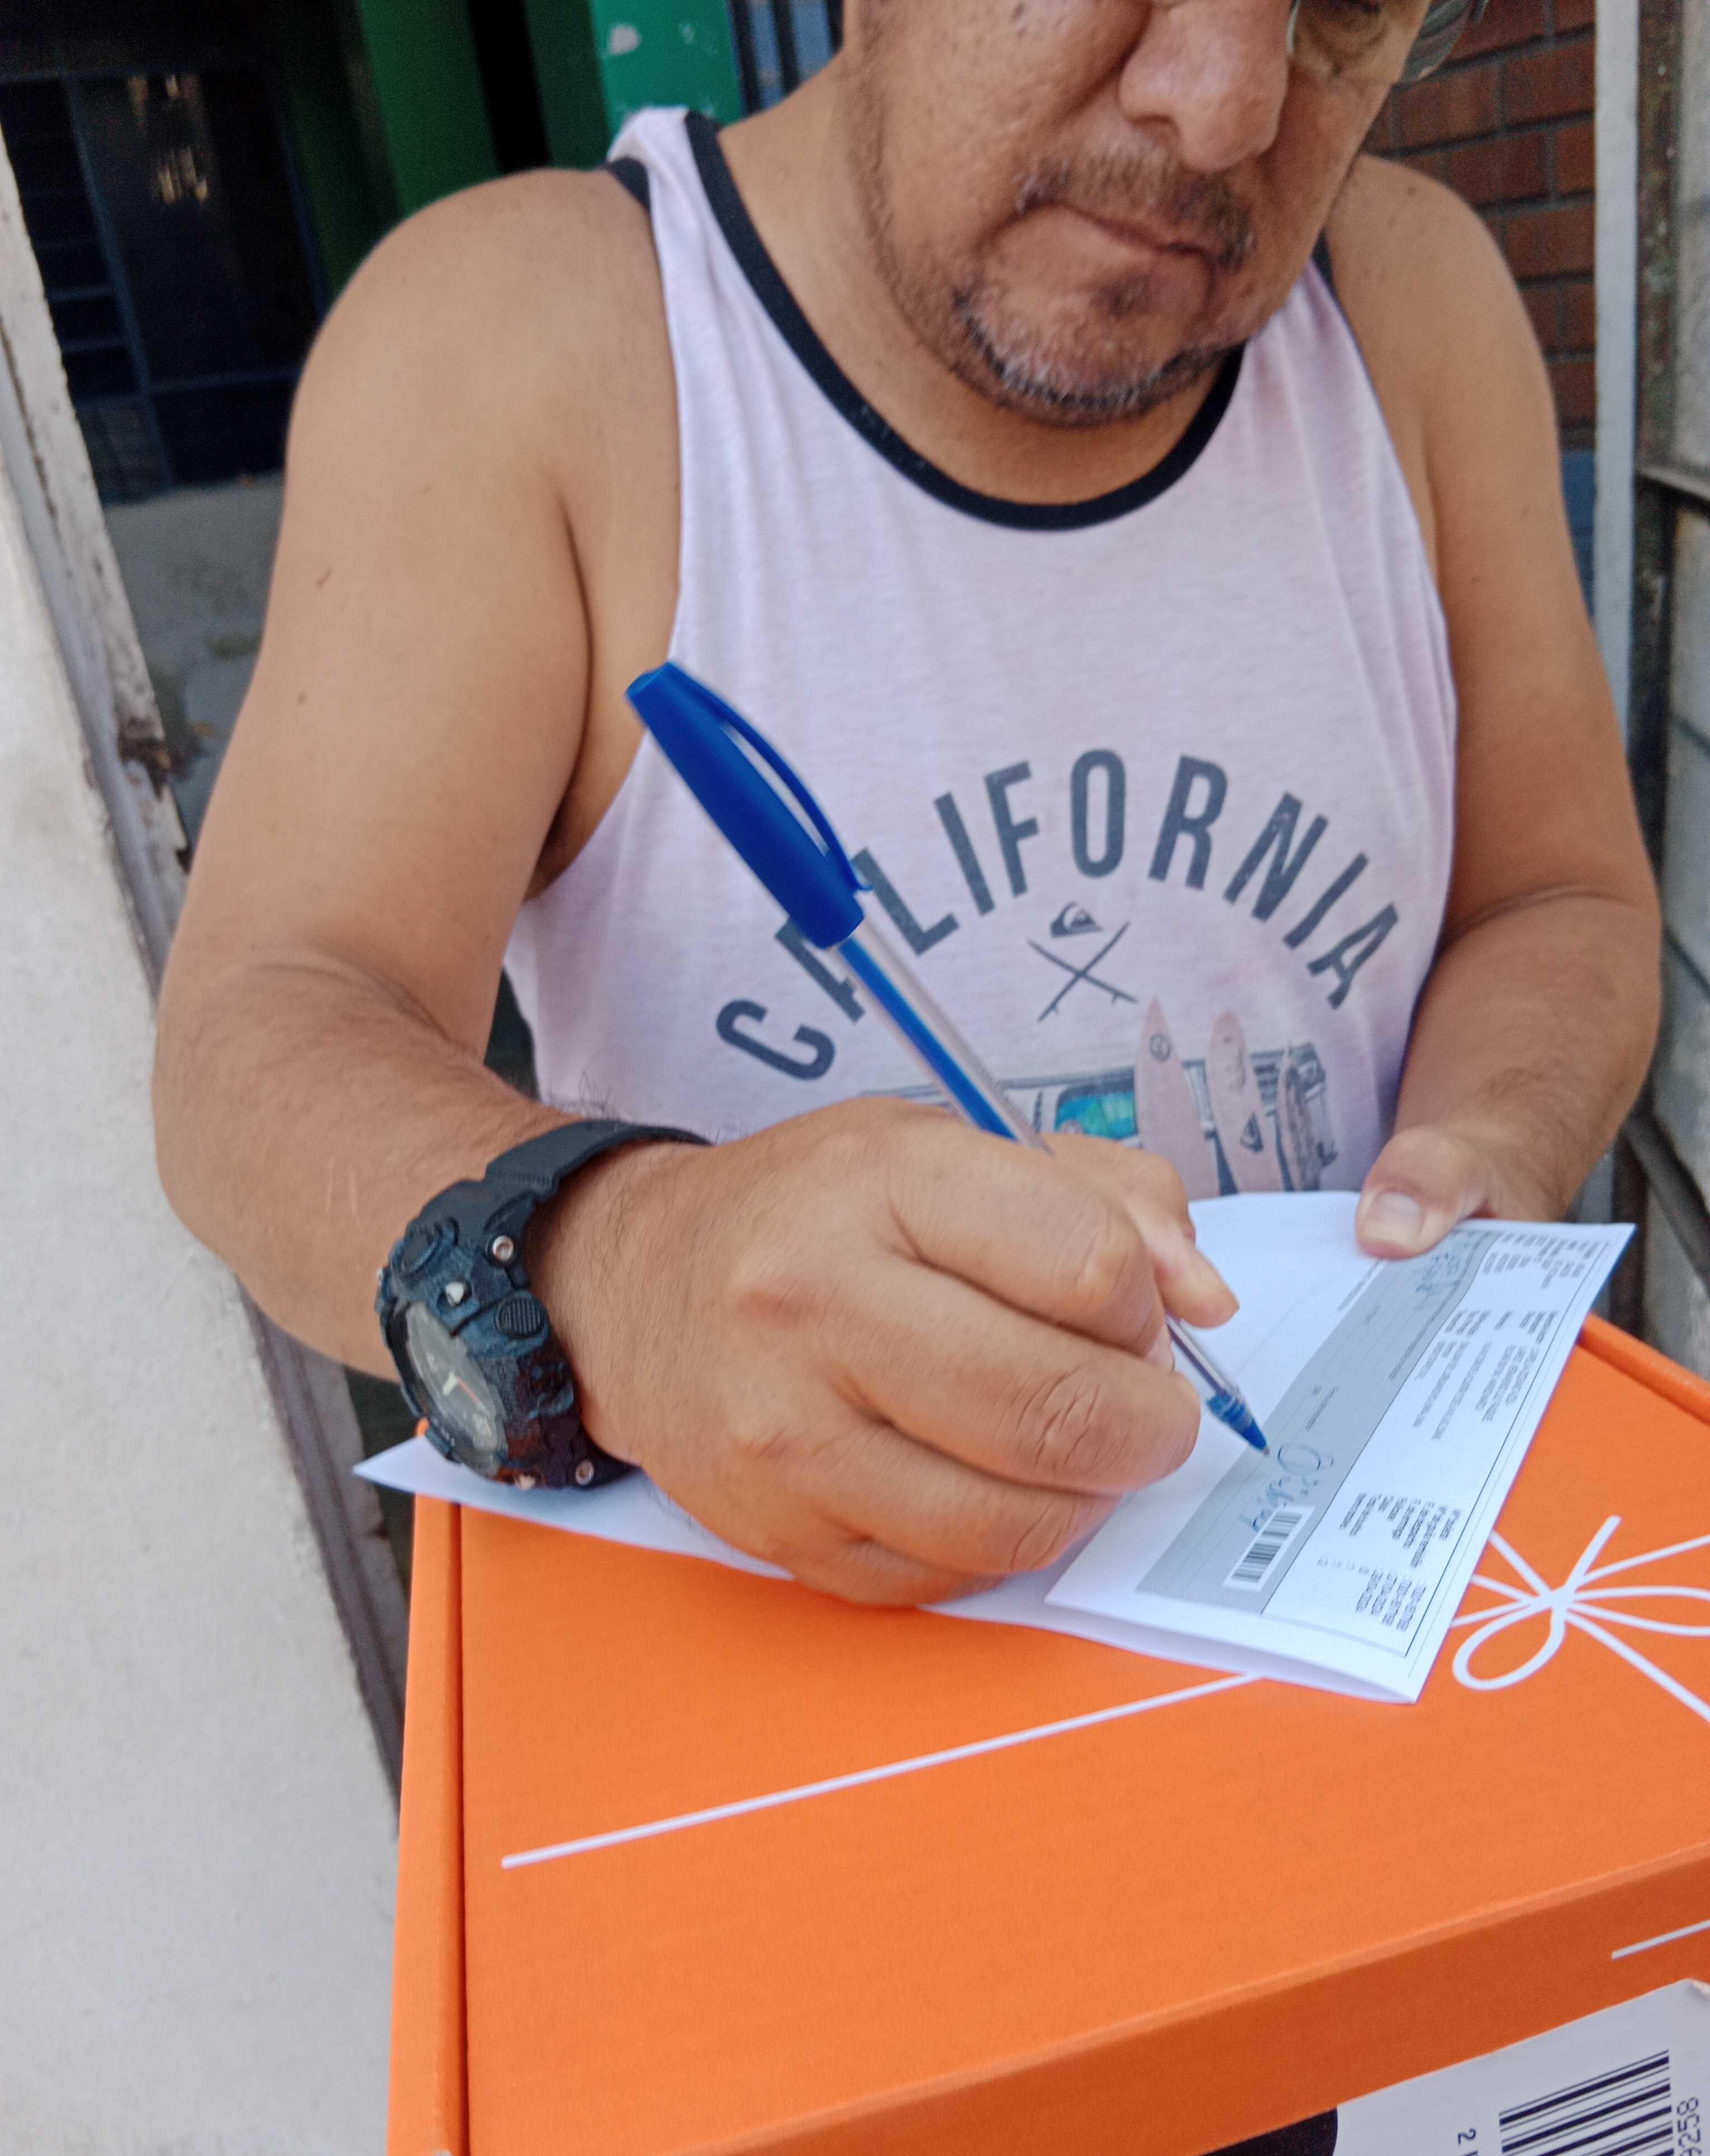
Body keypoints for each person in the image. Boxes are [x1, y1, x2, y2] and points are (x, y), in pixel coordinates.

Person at [153, 0, 1659, 1606]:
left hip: (1343, 1565)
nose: (1222, 105)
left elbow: (1553, 895)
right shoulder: (530, 339)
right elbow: (269, 1030)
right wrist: (632, 1263)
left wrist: (1489, 1145)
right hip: (774, 1641)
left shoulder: (1412, 301)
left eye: (1346, 7)